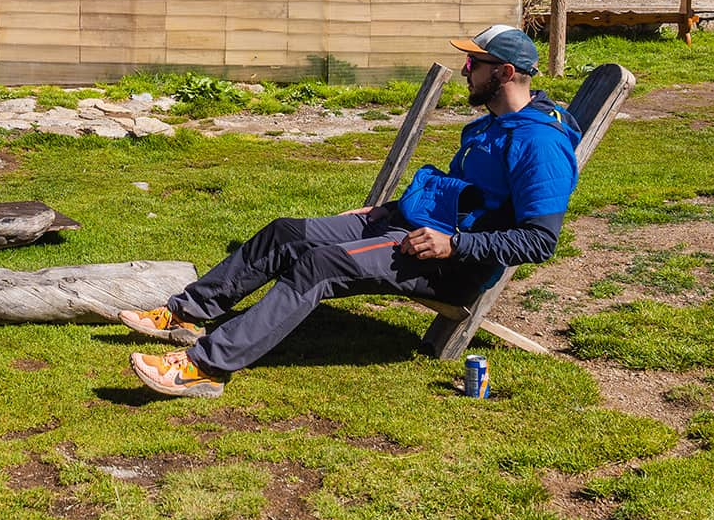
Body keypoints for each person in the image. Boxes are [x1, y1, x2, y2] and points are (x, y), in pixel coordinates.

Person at [120, 25, 582, 398]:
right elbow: (467, 196)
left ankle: (205, 366)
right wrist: (387, 210)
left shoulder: (539, 142)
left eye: (473, 64)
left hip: (447, 261)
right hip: (411, 226)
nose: (465, 71)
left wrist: (453, 244)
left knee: (321, 266)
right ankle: (186, 312)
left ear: (502, 72)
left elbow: (540, 240)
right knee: (286, 233)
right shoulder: (494, 125)